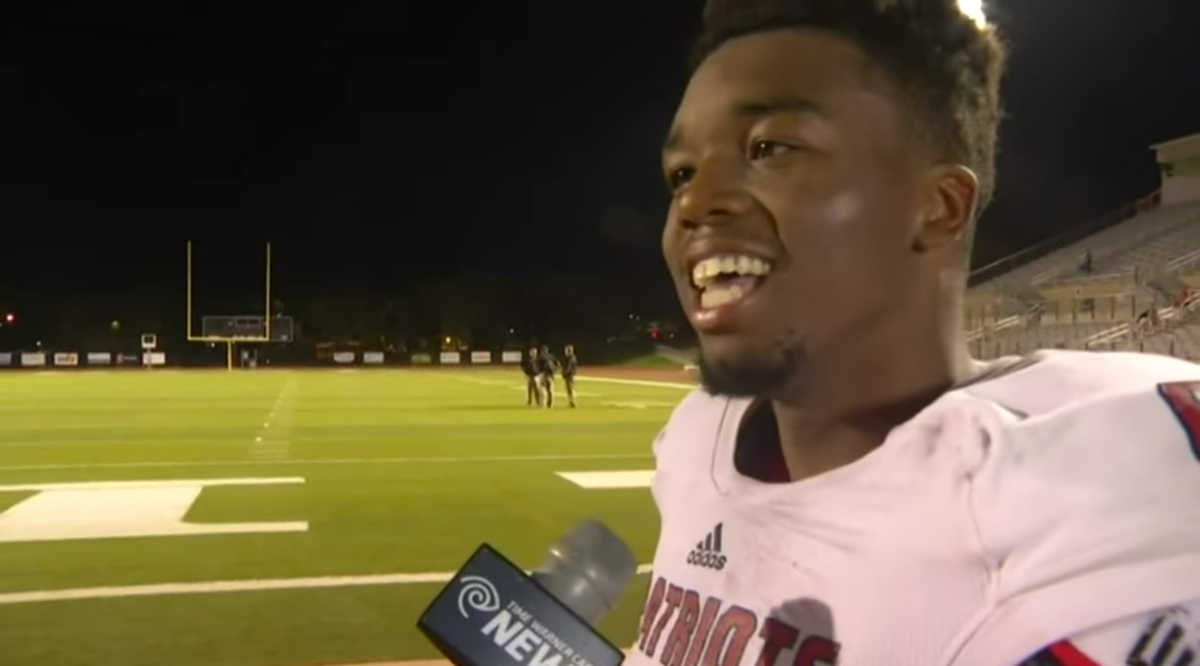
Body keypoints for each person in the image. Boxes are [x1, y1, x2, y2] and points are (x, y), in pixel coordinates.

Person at [631, 1, 1200, 665]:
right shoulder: (699, 442)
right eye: (682, 173)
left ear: (938, 207)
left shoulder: (1087, 501)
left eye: (769, 148)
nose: (693, 204)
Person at [536, 344, 558, 408]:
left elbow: (537, 366)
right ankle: (551, 403)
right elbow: (557, 364)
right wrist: (554, 371)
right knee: (550, 390)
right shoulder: (551, 356)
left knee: (542, 388)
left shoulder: (540, 357)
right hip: (551, 375)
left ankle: (543, 403)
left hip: (543, 374)